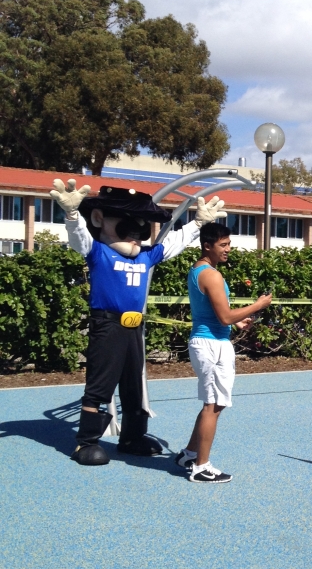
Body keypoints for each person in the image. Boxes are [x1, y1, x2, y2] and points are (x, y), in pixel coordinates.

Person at [50, 180, 227, 466]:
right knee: (100, 385)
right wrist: (72, 216)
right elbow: (79, 240)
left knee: (134, 385)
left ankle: (132, 437)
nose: (136, 234)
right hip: (107, 325)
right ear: (99, 220)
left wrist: (196, 224)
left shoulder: (146, 255)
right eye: (126, 225)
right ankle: (86, 442)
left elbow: (172, 244)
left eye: (141, 227)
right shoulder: (99, 252)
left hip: (135, 328)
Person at [175, 223, 272, 483]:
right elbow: (225, 315)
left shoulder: (200, 270)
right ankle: (201, 467)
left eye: (229, 243)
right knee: (213, 406)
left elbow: (217, 315)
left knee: (212, 403)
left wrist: (237, 322)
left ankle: (190, 453)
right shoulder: (211, 275)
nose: (229, 249)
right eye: (223, 245)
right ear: (207, 246)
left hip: (209, 341)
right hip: (212, 346)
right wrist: (257, 305)